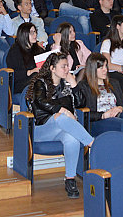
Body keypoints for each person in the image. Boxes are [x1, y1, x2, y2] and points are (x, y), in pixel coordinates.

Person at [25, 52, 94, 198]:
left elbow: (82, 104)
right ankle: (92, 142)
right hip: (40, 129)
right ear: (52, 68)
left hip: (62, 128)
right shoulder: (40, 83)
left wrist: (74, 84)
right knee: (60, 117)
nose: (67, 69)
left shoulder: (67, 84)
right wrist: (62, 110)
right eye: (63, 66)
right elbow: (40, 102)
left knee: (71, 138)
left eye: (67, 66)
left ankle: (70, 179)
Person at [75, 53, 123, 137]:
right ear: (93, 69)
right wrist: (103, 115)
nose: (105, 70)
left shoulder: (114, 83)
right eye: (101, 67)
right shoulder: (84, 86)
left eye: (106, 66)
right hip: (100, 121)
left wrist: (120, 108)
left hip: (119, 116)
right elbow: (84, 113)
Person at [5, 22, 45, 93]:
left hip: (36, 79)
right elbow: (13, 74)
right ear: (24, 34)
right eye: (31, 32)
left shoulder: (38, 49)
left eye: (35, 32)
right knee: (37, 77)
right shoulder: (15, 50)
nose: (35, 35)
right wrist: (30, 71)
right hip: (20, 83)